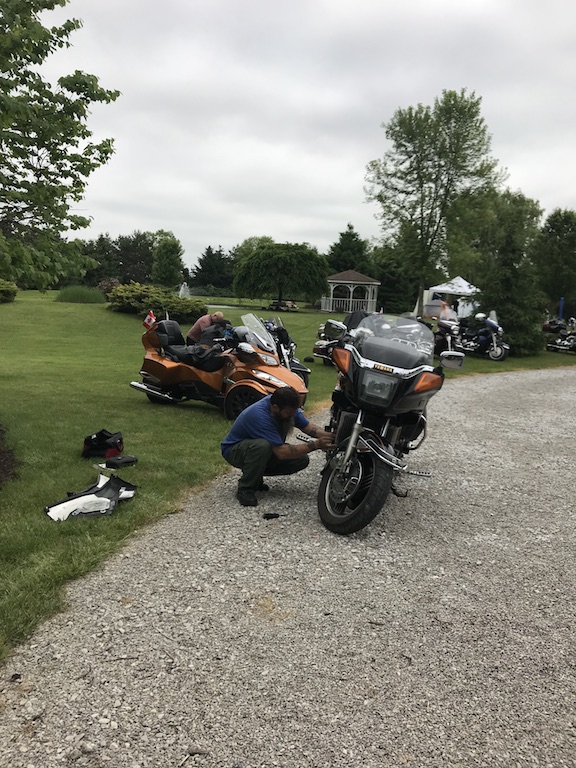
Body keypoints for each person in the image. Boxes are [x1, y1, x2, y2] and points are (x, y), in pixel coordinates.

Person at [221, 386, 334, 507]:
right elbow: (281, 452)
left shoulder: (287, 406)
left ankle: (255, 476)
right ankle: (245, 488)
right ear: (275, 407)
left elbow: (307, 427)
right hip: (234, 450)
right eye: (289, 413)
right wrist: (316, 445)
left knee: (301, 459)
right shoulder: (259, 415)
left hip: (257, 449)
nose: (292, 415)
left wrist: (331, 436)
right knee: (262, 446)